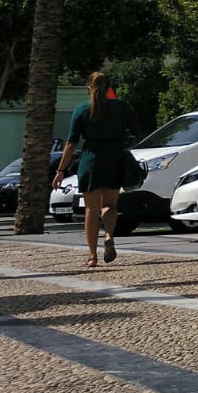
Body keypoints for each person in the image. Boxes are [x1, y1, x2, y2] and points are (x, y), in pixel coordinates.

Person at [53, 72, 138, 268]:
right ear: (109, 87)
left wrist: (60, 170)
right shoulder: (122, 107)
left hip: (90, 159)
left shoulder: (82, 110)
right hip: (114, 157)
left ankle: (92, 256)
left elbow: (71, 143)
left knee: (91, 209)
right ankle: (109, 234)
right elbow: (135, 130)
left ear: (88, 88)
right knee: (110, 205)